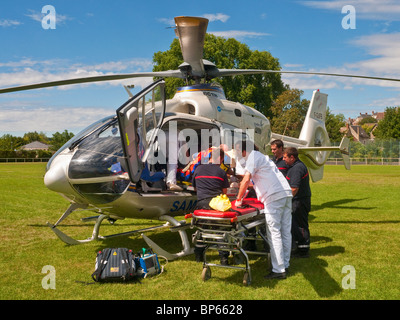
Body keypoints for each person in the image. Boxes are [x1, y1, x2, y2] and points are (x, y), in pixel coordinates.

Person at [236, 140, 292, 279]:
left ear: (244, 151)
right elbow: (256, 180)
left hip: (273, 196)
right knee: (285, 231)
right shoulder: (262, 157)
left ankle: (278, 270)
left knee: (274, 233)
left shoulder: (252, 157)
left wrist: (238, 200)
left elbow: (246, 179)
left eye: (238, 151)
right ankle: (285, 264)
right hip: (285, 193)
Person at [192, 147, 230, 264]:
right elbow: (224, 192)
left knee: (202, 230)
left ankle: (198, 256)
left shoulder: (198, 169)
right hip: (215, 205)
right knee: (220, 231)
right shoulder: (221, 172)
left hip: (201, 204)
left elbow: (195, 188)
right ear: (220, 158)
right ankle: (223, 258)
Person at [283, 147, 311, 258]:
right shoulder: (294, 166)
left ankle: (304, 250)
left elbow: (294, 188)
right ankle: (300, 247)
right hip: (299, 200)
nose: (284, 159)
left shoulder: (297, 168)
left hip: (299, 201)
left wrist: (286, 200)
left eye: (285, 157)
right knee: (296, 224)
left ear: (292, 157)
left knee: (300, 225)